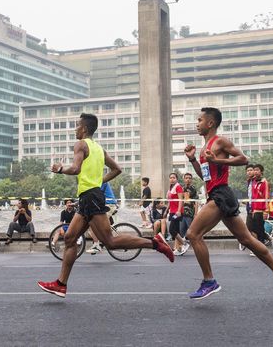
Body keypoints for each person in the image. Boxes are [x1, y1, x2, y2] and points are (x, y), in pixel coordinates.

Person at [37, 113, 173, 298]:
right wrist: (99, 180)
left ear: (84, 129)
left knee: (110, 242)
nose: (75, 128)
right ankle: (61, 284)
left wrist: (60, 169)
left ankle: (155, 243)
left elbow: (75, 169)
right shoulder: (99, 149)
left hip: (91, 197)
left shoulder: (81, 144)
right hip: (88, 197)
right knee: (69, 239)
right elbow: (117, 169)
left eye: (77, 125)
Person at [184, 107, 273, 300]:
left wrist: (217, 159)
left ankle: (209, 281)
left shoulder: (220, 141)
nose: (197, 124)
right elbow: (206, 177)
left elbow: (244, 159)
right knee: (247, 240)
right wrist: (193, 160)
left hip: (220, 195)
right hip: (216, 193)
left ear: (210, 123)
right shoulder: (204, 148)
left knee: (193, 234)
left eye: (199, 120)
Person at [86, 182, 119, 255]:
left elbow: (94, 194)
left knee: (92, 223)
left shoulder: (101, 181)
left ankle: (96, 245)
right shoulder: (99, 180)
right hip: (106, 204)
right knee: (97, 224)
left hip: (108, 205)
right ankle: (101, 242)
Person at [164, 173, 189, 256]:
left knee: (172, 230)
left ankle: (184, 243)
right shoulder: (171, 188)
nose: (172, 179)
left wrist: (178, 211)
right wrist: (166, 210)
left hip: (177, 212)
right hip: (172, 211)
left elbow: (180, 200)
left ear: (177, 179)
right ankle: (178, 249)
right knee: (177, 230)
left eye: (174, 178)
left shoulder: (178, 187)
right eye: (170, 177)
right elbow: (170, 201)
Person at [249, 164, 269, 246]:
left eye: (257, 170)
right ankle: (267, 239)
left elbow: (266, 196)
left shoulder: (264, 182)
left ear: (261, 172)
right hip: (255, 209)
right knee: (254, 229)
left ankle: (262, 246)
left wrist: (266, 211)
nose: (255, 172)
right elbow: (253, 197)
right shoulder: (253, 181)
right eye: (254, 170)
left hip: (261, 210)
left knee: (258, 229)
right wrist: (252, 209)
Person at [181, 172, 199, 242]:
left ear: (191, 180)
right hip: (182, 213)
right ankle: (183, 245)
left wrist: (195, 213)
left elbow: (196, 201)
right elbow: (180, 201)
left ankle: (196, 242)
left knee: (191, 230)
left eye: (189, 178)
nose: (188, 179)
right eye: (186, 178)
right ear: (184, 179)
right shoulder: (182, 189)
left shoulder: (193, 189)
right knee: (181, 230)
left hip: (190, 213)